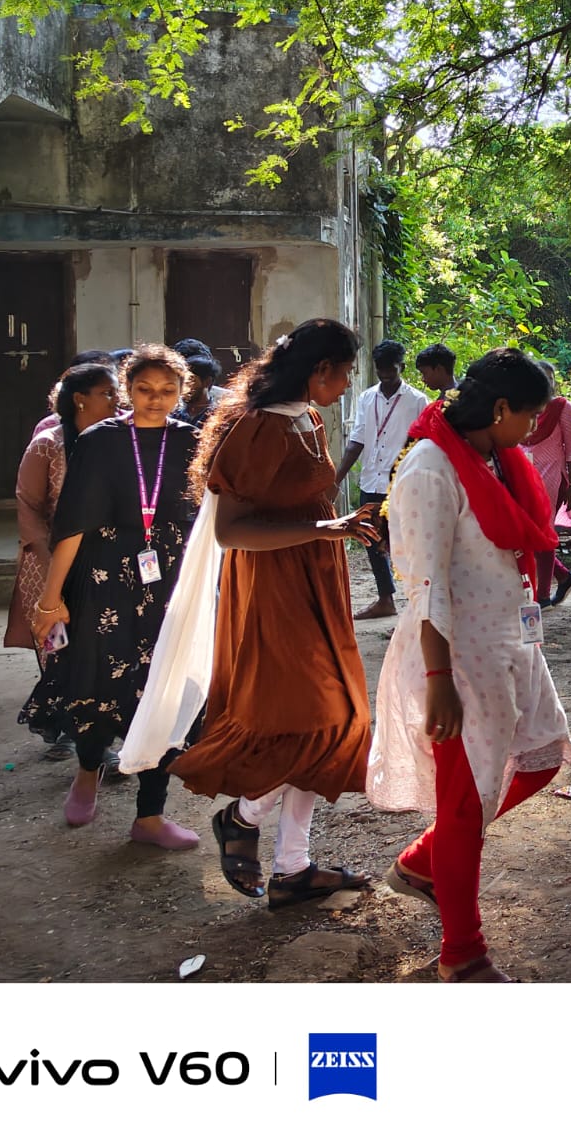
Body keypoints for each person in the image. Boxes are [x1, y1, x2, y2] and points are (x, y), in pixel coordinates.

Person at [369, 350, 571, 982]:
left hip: (509, 641)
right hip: (456, 657)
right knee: (463, 807)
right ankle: (462, 954)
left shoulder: (493, 455)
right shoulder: (432, 467)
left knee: (543, 757)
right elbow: (425, 585)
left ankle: (426, 861)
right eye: (532, 414)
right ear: (499, 409)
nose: (536, 427)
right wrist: (438, 683)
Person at [168, 319, 380, 908]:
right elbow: (233, 532)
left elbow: (310, 503)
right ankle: (244, 816)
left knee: (329, 721)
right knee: (319, 718)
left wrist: (344, 529)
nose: (345, 386)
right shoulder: (257, 427)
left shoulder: (306, 417)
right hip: (272, 587)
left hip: (315, 579)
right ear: (318, 371)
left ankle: (292, 866)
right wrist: (324, 527)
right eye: (342, 374)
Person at [24, 346, 200, 848]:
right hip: (105, 576)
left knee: (162, 689)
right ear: (126, 389)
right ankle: (87, 768)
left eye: (168, 391)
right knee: (99, 674)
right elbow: (73, 523)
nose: (155, 399)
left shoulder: (191, 440)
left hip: (170, 578)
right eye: (144, 389)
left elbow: (207, 522)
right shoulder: (100, 441)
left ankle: (150, 816)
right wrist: (50, 597)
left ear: (182, 393)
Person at [9, 362, 122, 761]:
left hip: (104, 560)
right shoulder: (47, 444)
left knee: (101, 649)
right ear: (80, 400)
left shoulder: (114, 440)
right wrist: (51, 566)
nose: (117, 400)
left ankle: (97, 735)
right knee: (60, 648)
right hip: (51, 563)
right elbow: (30, 507)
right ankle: (72, 732)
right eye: (108, 393)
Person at [335, 338, 428, 621]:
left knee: (406, 542)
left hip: (401, 482)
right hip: (371, 481)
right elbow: (357, 440)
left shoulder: (417, 401)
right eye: (381, 370)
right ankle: (385, 598)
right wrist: (336, 478)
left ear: (401, 366)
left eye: (391, 369)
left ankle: (417, 603)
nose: (386, 375)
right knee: (370, 539)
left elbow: (423, 442)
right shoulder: (367, 398)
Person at [521, 361, 571, 608]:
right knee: (527, 533)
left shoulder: (563, 408)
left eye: (548, 378)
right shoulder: (524, 407)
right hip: (525, 474)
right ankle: (564, 576)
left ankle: (543, 595)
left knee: (543, 532)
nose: (544, 383)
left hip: (552, 477)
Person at [176, 347, 224, 429]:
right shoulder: (174, 414)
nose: (183, 386)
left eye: (190, 380)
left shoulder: (217, 418)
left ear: (207, 382)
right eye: (181, 380)